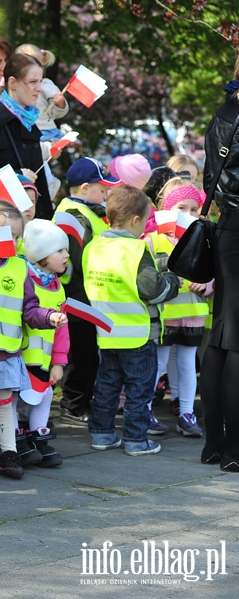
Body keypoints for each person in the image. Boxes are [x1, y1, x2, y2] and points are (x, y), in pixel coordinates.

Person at [0, 201, 66, 479]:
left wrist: (49, 317)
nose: (16, 243)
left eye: (18, 237)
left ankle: (9, 453)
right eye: (11, 236)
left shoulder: (20, 268)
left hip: (7, 352)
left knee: (4, 403)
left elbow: (29, 310)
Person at [83, 186, 180, 456]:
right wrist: (173, 280)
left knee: (106, 385)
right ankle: (137, 440)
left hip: (106, 332)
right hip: (138, 334)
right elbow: (153, 290)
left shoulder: (93, 246)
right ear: (135, 220)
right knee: (139, 390)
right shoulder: (136, 250)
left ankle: (101, 434)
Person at [53, 157, 123, 424]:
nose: (106, 194)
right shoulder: (73, 215)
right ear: (84, 188)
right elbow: (81, 258)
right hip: (77, 296)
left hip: (86, 294)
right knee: (81, 354)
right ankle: (72, 404)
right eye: (102, 188)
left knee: (88, 353)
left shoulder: (86, 211)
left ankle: (80, 402)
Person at [146, 183, 210, 438]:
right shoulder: (154, 239)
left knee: (186, 365)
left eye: (194, 209)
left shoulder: (203, 239)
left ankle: (186, 413)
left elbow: (213, 272)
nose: (189, 213)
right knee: (158, 363)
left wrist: (207, 284)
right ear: (165, 209)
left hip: (193, 314)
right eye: (182, 207)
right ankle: (145, 409)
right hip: (165, 314)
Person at [201, 59, 239, 471]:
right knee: (235, 340)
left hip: (228, 225)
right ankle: (232, 450)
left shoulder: (226, 110)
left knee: (221, 337)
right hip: (236, 225)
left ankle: (215, 444)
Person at [0, 53, 53, 219]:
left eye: (40, 82)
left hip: (32, 218)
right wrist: (15, 176)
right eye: (32, 82)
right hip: (3, 218)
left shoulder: (29, 120)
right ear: (13, 83)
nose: (39, 88)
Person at [18, 220, 70, 467]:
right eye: (59, 250)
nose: (66, 255)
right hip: (19, 357)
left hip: (43, 358)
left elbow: (62, 331)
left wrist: (59, 361)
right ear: (40, 254)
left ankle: (38, 436)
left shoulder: (57, 286)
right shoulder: (22, 279)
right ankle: (17, 439)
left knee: (44, 394)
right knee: (18, 399)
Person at [14, 44, 68, 142]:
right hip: (24, 131)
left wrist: (60, 104)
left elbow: (56, 113)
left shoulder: (46, 84)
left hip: (45, 130)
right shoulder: (14, 85)